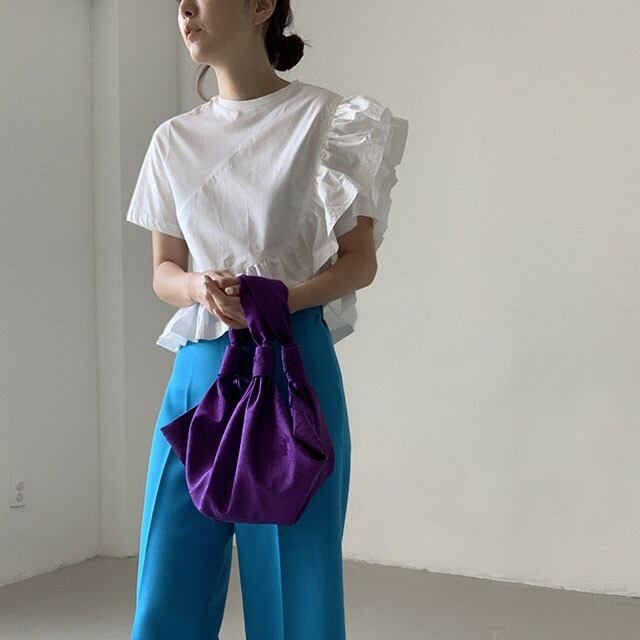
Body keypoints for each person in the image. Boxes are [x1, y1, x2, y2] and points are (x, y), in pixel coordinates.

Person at [125, 1, 409, 638]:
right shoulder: (173, 140)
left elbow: (359, 262)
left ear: (261, 6)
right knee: (169, 575)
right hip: (199, 372)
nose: (184, 9)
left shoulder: (330, 122)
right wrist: (198, 286)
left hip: (292, 364)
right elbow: (164, 271)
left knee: (294, 585)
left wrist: (277, 297)